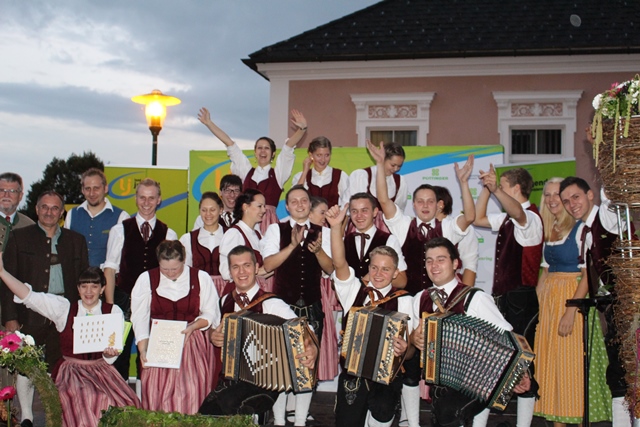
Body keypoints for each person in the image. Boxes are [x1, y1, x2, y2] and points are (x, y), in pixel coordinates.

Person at [371, 141, 476, 427]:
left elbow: (470, 216)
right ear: (414, 204)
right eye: (420, 201)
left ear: (438, 204)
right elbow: (383, 200)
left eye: (431, 201)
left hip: (442, 307)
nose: (426, 205)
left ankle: (449, 416)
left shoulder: (448, 227)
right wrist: (380, 165)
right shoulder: (404, 224)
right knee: (410, 365)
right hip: (410, 304)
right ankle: (411, 421)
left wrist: (464, 183)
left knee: (444, 367)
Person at [0, 260, 140, 427]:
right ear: (78, 289)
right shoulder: (64, 309)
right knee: (86, 396)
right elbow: (29, 297)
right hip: (71, 372)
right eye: (84, 286)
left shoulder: (113, 311)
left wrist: (109, 354)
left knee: (120, 401)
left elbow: (112, 356)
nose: (89, 291)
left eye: (94, 286)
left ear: (102, 289)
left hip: (102, 371)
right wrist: (2, 272)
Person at [411, 237, 531, 427]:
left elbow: (509, 336)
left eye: (441, 259)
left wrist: (518, 373)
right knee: (443, 411)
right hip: (441, 382)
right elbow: (411, 342)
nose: (434, 266)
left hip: (480, 379)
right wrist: (414, 338)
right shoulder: (420, 298)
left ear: (455, 264)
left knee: (448, 413)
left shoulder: (475, 298)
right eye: (429, 260)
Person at [1, 190, 89, 427]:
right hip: (29, 313)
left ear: (61, 213)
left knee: (60, 365)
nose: (49, 212)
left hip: (64, 314)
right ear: (37, 209)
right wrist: (10, 317)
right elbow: (7, 279)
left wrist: (83, 315)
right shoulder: (19, 237)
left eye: (54, 208)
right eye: (44, 207)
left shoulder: (76, 241)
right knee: (27, 366)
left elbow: (84, 280)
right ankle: (27, 416)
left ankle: (58, 415)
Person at [199, 245, 318, 419]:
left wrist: (311, 347)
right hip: (231, 379)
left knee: (227, 405)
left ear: (256, 268)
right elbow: (214, 329)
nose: (241, 272)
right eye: (235, 267)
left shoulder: (271, 303)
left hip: (265, 382)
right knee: (207, 412)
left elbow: (304, 329)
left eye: (246, 265)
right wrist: (212, 335)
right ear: (230, 271)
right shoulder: (224, 301)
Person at [326, 203, 413, 427]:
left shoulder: (405, 300)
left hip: (386, 376)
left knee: (381, 415)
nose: (378, 273)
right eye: (374, 268)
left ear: (395, 272)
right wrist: (335, 228)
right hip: (353, 373)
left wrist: (405, 349)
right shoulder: (354, 290)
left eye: (386, 269)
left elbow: (411, 348)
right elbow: (339, 263)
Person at [534, 178, 611, 425]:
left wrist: (571, 310)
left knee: (571, 364)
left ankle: (576, 418)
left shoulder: (581, 229)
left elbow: (588, 274)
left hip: (572, 297)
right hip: (550, 301)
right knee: (552, 362)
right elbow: (545, 272)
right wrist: (539, 306)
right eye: (548, 195)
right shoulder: (550, 227)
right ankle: (557, 420)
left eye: (559, 195)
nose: (554, 200)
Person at [473, 165, 543, 427]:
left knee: (523, 363)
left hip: (521, 300)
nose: (497, 191)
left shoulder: (530, 217)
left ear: (516, 188)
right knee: (493, 362)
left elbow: (518, 213)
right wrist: (486, 189)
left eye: (502, 186)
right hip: (503, 298)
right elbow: (478, 218)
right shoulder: (506, 219)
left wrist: (496, 190)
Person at [559, 176, 631, 426]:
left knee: (628, 371)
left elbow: (610, 194)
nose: (572, 204)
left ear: (590, 195)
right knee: (617, 373)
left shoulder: (608, 217)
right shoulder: (583, 232)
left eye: (576, 197)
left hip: (629, 306)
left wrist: (602, 156)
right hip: (611, 308)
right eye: (566, 201)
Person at [260, 185, 333, 426]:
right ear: (287, 206)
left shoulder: (323, 232)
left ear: (310, 205)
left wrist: (318, 251)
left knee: (307, 365)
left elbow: (330, 269)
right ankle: (279, 421)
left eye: (304, 200)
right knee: (280, 365)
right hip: (282, 306)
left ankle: (300, 421)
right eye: (294, 201)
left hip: (312, 305)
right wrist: (292, 246)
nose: (300, 204)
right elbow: (268, 265)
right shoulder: (276, 229)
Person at [131, 240, 219, 414]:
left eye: (175, 269)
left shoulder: (201, 277)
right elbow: (140, 318)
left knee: (191, 391)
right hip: (159, 343)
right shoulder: (146, 279)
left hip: (191, 341)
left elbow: (211, 313)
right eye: (164, 269)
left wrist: (193, 326)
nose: (170, 273)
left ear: (184, 260)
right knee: (157, 393)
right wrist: (143, 350)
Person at [103, 178, 178, 380]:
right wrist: (110, 306)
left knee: (151, 356)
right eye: (142, 197)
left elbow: (172, 274)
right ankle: (118, 397)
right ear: (136, 199)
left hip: (155, 302)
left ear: (159, 200)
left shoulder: (169, 234)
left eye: (151, 198)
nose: (146, 203)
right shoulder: (119, 230)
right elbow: (110, 269)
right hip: (123, 300)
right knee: (118, 355)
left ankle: (148, 397)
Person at [198, 107, 307, 234]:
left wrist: (302, 129)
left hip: (268, 224)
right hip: (247, 223)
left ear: (273, 154)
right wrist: (209, 123)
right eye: (259, 148)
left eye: (267, 148)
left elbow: (288, 147)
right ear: (255, 152)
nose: (263, 151)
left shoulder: (278, 174)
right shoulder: (246, 171)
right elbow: (230, 144)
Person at [65, 168, 129, 267]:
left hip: (108, 276)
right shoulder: (71, 214)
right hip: (75, 275)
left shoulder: (122, 217)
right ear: (82, 190)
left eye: (96, 188)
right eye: (88, 189)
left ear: (105, 188)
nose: (92, 193)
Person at [344, 192, 407, 288]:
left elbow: (402, 281)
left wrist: (373, 276)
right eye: (354, 211)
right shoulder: (344, 241)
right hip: (349, 297)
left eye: (364, 210)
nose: (359, 216)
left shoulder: (390, 240)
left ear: (375, 212)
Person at [218, 189, 271, 285]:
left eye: (264, 206)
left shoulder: (258, 235)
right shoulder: (234, 234)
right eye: (259, 206)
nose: (264, 210)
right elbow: (226, 272)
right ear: (245, 207)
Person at [180, 192, 226, 294]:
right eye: (204, 210)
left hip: (226, 290)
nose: (208, 214)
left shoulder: (231, 235)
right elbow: (184, 270)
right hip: (198, 290)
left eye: (212, 210)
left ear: (221, 210)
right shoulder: (188, 239)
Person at [433, 185, 479, 286]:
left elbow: (469, 265)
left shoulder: (460, 228)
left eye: (429, 201)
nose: (424, 206)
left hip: (451, 287)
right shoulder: (417, 228)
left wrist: (463, 294)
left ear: (440, 204)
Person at [349, 141, 408, 214]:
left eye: (399, 166)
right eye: (393, 165)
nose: (396, 169)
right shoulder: (362, 176)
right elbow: (351, 208)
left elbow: (399, 212)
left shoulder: (400, 181)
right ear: (383, 159)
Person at [292, 136, 350, 208]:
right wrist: (305, 171)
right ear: (311, 155)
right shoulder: (300, 176)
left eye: (327, 155)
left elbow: (347, 203)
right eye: (319, 155)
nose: (323, 160)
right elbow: (294, 198)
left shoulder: (340, 175)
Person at [0, 172, 34, 253]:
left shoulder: (30, 227)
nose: (6, 195)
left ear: (20, 196)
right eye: (2, 190)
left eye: (12, 191)